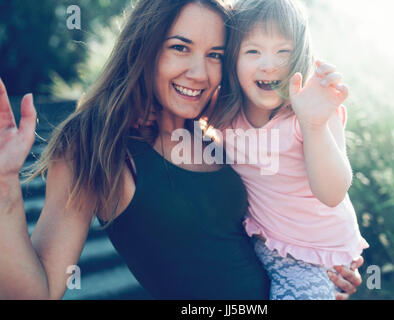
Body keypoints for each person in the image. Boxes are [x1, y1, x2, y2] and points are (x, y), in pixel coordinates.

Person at [0, 0, 363, 300]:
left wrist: (319, 272)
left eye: (215, 55)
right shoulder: (94, 145)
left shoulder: (217, 133)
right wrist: (5, 190)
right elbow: (38, 292)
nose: (198, 72)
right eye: (180, 47)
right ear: (144, 47)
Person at [208, 0, 369, 300]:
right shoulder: (226, 113)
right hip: (267, 241)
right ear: (232, 59)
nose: (269, 64)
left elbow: (333, 193)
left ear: (301, 57)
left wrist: (314, 125)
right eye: (253, 51)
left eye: (283, 51)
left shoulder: (312, 111)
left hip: (318, 255)